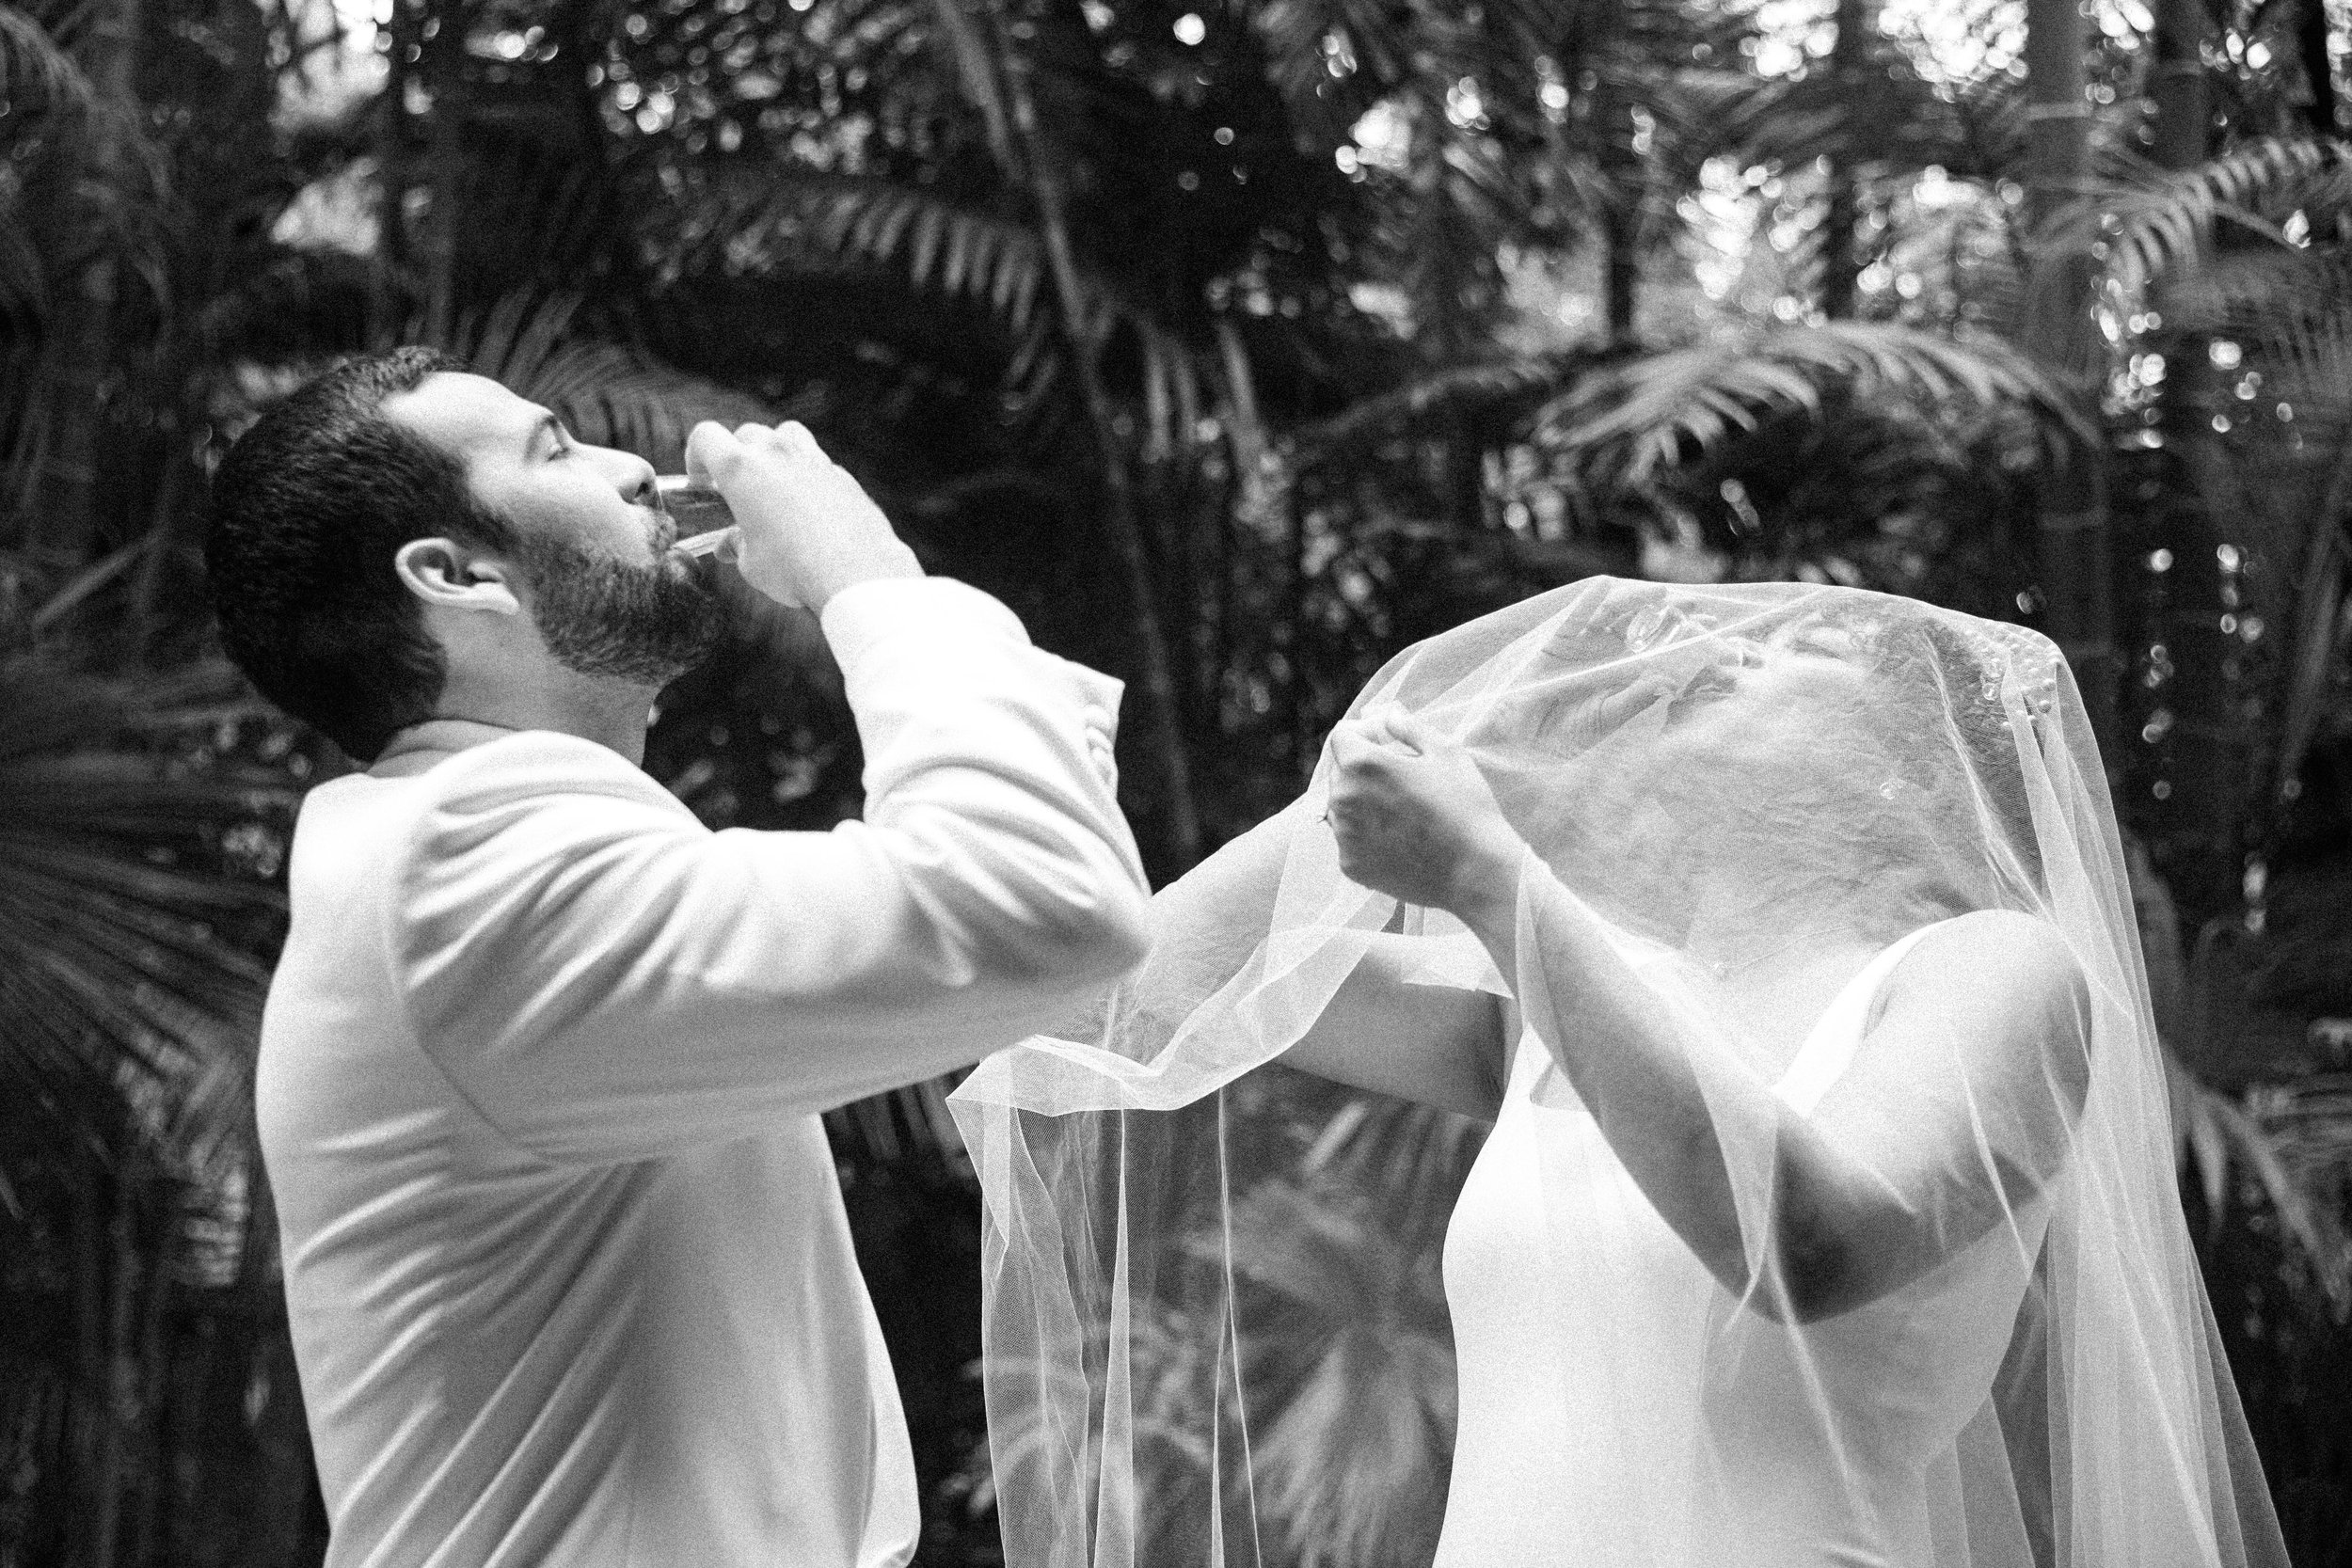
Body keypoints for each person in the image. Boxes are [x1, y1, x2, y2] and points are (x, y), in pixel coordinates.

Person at [952, 578, 2289, 1568]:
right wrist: (1389, 767)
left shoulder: (1994, 972)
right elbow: (1141, 990)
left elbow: (1805, 1245)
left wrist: (1491, 876)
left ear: (1908, 763)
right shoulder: (1575, 1000)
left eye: (1790, 655)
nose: (1715, 659)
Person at [205, 347, 1154, 1568]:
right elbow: (1034, 902)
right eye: (558, 450)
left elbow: (1060, 915)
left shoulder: (482, 861)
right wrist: (865, 574)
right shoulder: (465, 873)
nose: (636, 472)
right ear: (457, 574)